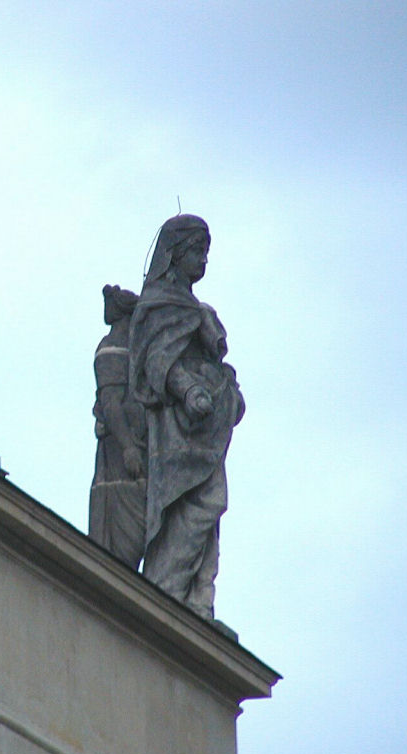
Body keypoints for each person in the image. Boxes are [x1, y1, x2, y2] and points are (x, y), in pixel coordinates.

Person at [128, 215, 244, 619]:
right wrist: (190, 389)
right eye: (197, 251)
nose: (204, 260)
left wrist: (225, 388)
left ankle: (199, 600)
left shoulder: (198, 308)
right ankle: (168, 596)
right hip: (179, 432)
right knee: (188, 510)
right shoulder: (159, 304)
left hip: (208, 431)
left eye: (207, 252)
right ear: (174, 255)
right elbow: (157, 360)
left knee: (211, 509)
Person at [89, 285, 147, 568]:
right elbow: (111, 404)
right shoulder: (111, 350)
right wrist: (129, 449)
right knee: (126, 540)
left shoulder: (135, 351)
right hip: (121, 457)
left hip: (139, 449)